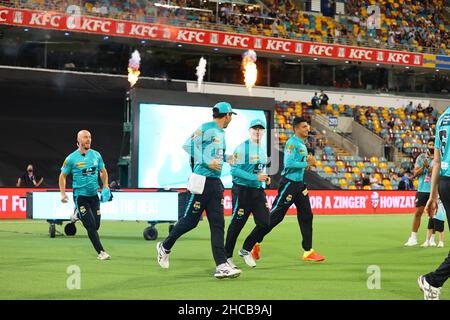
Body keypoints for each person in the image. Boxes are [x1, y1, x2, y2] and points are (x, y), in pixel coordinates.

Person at [156, 102, 242, 279]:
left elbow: (215, 156)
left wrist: (228, 158)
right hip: (201, 183)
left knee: (218, 225)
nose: (231, 119)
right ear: (226, 115)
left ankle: (221, 266)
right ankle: (164, 246)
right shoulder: (206, 128)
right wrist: (207, 161)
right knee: (190, 221)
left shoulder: (221, 134)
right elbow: (188, 145)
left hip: (215, 183)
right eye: (231, 116)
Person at [244, 117, 325, 266]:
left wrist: (307, 165)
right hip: (289, 184)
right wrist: (307, 163)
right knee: (275, 217)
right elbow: (288, 163)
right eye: (303, 127)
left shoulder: (302, 144)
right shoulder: (292, 143)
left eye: (307, 126)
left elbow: (297, 165)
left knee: (307, 215)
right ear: (296, 129)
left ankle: (308, 251)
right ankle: (253, 243)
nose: (307, 129)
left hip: (299, 185)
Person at [224, 119, 270, 268]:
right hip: (242, 190)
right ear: (249, 130)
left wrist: (265, 177)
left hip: (257, 191)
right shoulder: (242, 148)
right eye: (255, 128)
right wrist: (255, 177)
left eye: (260, 129)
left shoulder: (262, 149)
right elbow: (234, 170)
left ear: (263, 131)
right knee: (237, 224)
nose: (258, 131)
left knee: (265, 223)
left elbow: (258, 169)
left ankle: (245, 249)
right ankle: (227, 257)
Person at [59, 130, 111, 260]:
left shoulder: (96, 155)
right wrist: (63, 193)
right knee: (91, 226)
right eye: (85, 137)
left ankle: (77, 215)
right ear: (78, 140)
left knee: (96, 225)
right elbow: (63, 175)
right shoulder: (71, 158)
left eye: (90, 137)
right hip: (80, 197)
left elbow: (103, 171)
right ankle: (101, 252)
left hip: (94, 196)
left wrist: (106, 186)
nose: (88, 139)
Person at [418, 106, 450, 300]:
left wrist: (433, 195)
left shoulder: (442, 118)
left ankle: (433, 281)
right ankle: (432, 281)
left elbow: (436, 162)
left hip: (445, 182)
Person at [404, 139, 435, 246]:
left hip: (433, 190)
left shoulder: (439, 158)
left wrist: (428, 167)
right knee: (418, 213)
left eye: (433, 145)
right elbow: (415, 173)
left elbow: (438, 172)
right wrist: (423, 166)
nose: (431, 146)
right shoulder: (421, 157)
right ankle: (413, 238)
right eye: (429, 144)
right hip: (422, 190)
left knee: (433, 214)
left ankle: (431, 239)